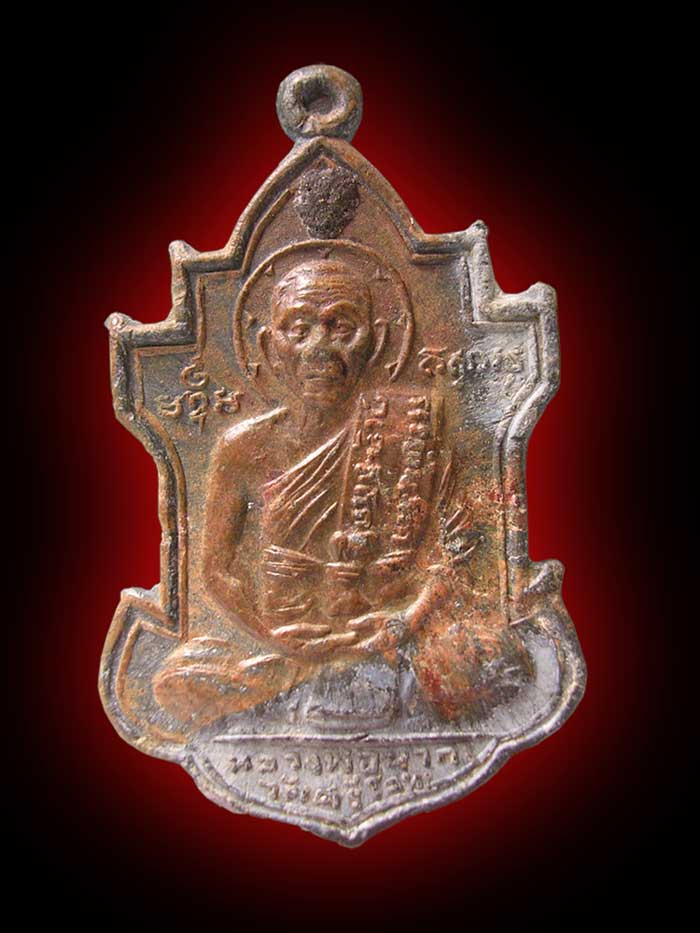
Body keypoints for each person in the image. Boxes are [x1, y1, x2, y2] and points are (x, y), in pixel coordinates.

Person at [154, 258, 522, 728]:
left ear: (378, 341)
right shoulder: (241, 448)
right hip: (284, 641)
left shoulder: (412, 432)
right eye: (299, 329)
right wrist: (273, 636)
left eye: (341, 327)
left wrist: (403, 621)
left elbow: (454, 558)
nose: (320, 349)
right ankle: (302, 677)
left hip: (390, 639)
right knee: (178, 680)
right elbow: (217, 571)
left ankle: (335, 681)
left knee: (487, 663)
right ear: (268, 346)